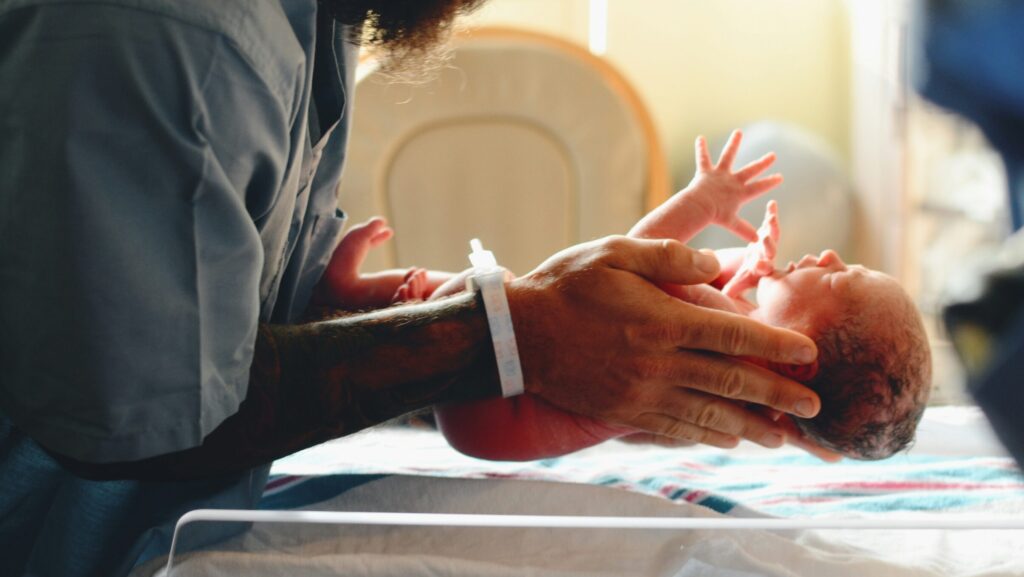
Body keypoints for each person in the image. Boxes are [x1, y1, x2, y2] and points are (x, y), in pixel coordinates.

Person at [0, 2, 824, 576]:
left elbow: (159, 307)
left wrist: (314, 310)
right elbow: (146, 416)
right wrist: (505, 330)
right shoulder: (171, 35)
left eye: (839, 283)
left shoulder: (311, 22)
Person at [413, 134, 930, 461]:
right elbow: (698, 296)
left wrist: (702, 202)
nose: (833, 257)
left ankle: (360, 296)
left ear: (797, 360)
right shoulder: (742, 382)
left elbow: (631, 266)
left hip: (498, 403)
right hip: (493, 426)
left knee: (457, 289)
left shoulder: (725, 335)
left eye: (841, 279)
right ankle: (357, 292)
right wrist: (748, 271)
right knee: (441, 291)